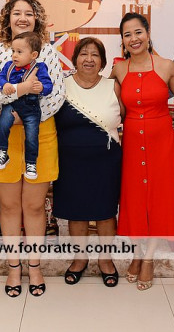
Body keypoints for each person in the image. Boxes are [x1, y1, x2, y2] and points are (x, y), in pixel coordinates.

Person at [0, 0, 65, 297]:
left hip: (38, 131)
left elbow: (56, 96)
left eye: (29, 13)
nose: (23, 18)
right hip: (3, 135)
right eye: (17, 13)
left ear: (36, 19)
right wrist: (15, 102)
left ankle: (35, 266)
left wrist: (21, 114)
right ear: (8, 18)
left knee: (35, 205)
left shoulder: (47, 52)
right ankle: (14, 267)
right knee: (10, 205)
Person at [111, 13, 174, 291]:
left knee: (159, 197)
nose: (134, 39)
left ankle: (148, 258)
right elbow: (109, 105)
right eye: (127, 34)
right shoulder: (119, 70)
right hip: (131, 140)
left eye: (138, 32)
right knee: (134, 197)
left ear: (148, 33)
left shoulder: (166, 66)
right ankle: (137, 252)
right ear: (122, 40)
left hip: (162, 141)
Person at [52, 37, 123, 287]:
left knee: (106, 212)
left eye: (95, 55)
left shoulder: (113, 86)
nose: (89, 59)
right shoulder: (61, 85)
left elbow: (126, 116)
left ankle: (106, 260)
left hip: (106, 161)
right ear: (75, 59)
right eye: (84, 54)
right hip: (70, 161)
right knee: (76, 213)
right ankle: (79, 259)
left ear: (103, 62)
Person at [0, 31, 53, 179]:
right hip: (11, 104)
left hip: (31, 107)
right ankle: (2, 152)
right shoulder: (9, 66)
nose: (14, 55)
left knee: (32, 135)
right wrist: (4, 84)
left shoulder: (40, 67)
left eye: (19, 52)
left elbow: (48, 85)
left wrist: (42, 87)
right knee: (2, 123)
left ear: (33, 55)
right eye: (13, 51)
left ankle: (31, 163)